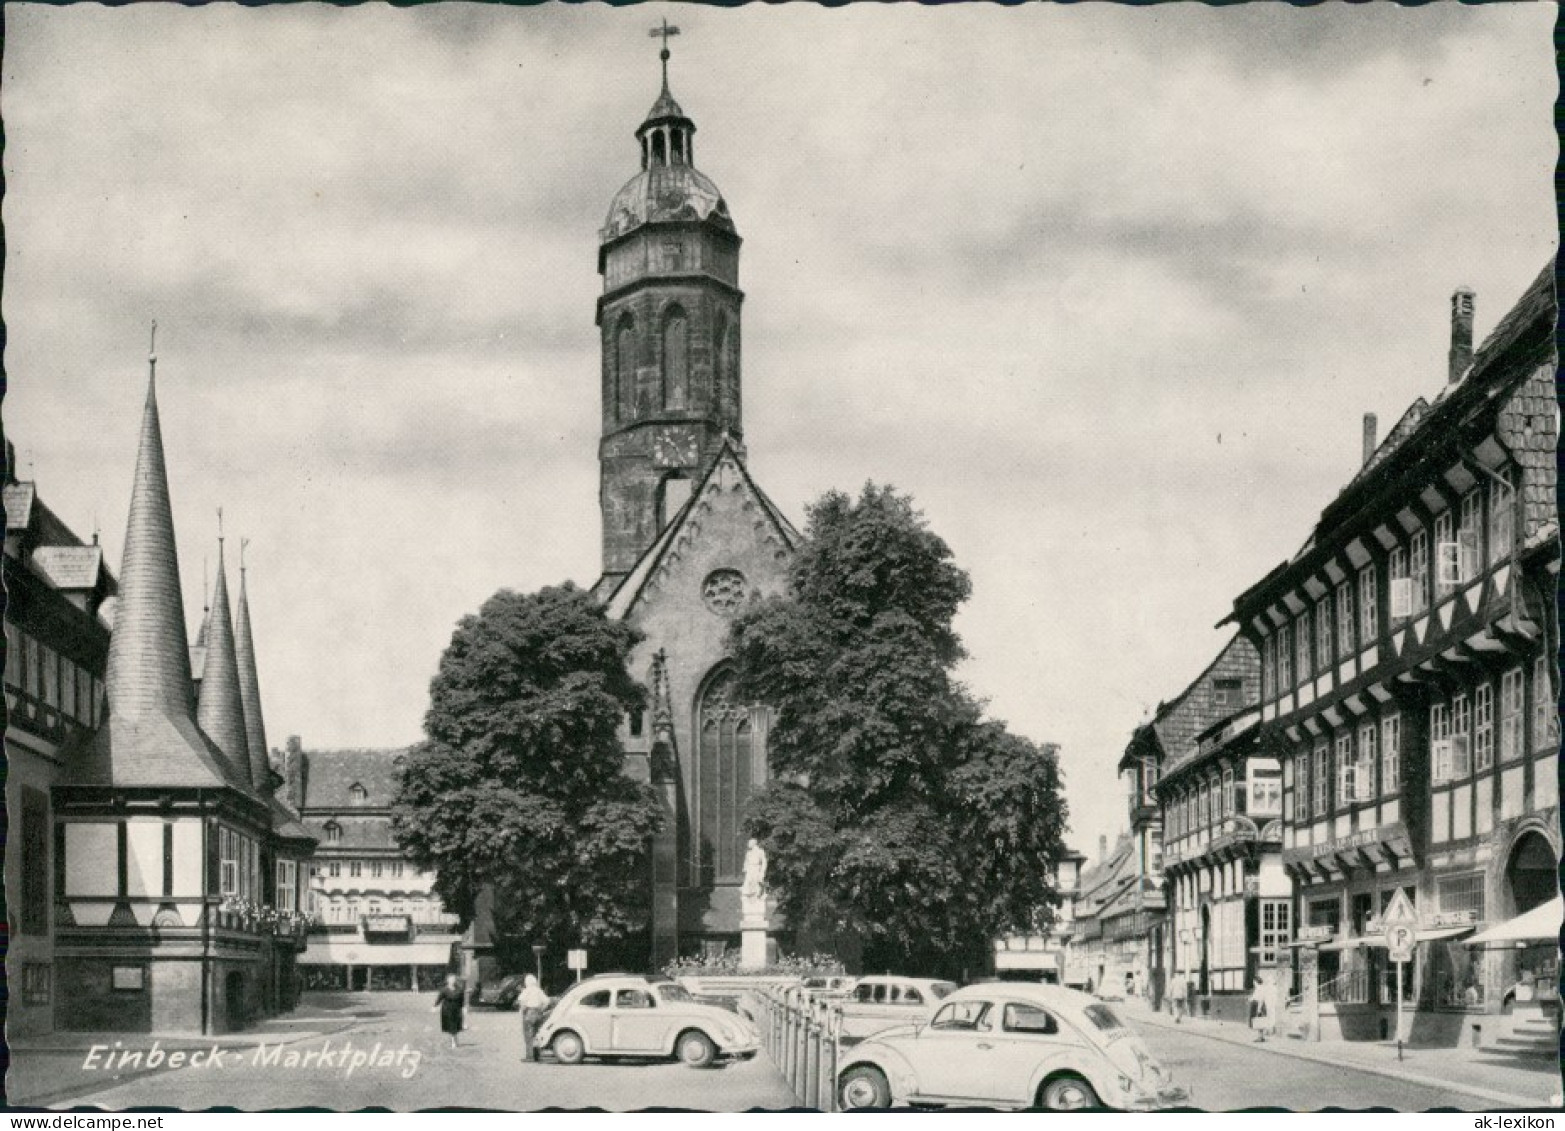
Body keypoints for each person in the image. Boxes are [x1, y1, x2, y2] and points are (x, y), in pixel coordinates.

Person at [519, 974, 551, 1062]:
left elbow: (523, 1003)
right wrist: (541, 1009)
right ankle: (537, 1055)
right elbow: (547, 1001)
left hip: (529, 1013)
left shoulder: (526, 991)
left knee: (528, 1036)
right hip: (538, 1013)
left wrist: (523, 1013)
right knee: (536, 1035)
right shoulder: (539, 990)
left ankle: (529, 1056)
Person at [432, 973, 465, 1050]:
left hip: (457, 1009)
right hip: (447, 1009)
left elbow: (462, 1000)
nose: (452, 981)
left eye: (453, 979)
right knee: (451, 1025)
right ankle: (454, 1042)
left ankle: (455, 1039)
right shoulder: (444, 990)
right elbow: (439, 999)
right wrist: (434, 1006)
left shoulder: (459, 989)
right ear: (448, 980)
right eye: (451, 979)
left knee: (456, 1025)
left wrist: (463, 1008)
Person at [1249, 973, 1272, 1042]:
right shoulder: (1259, 988)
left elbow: (1261, 999)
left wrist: (1259, 1008)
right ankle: (1261, 1037)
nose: (1253, 983)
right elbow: (1255, 997)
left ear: (1256, 982)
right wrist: (1251, 999)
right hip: (1258, 1005)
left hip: (1259, 1005)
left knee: (1259, 1021)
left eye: (1254, 982)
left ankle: (1260, 1037)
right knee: (1259, 1021)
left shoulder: (1259, 989)